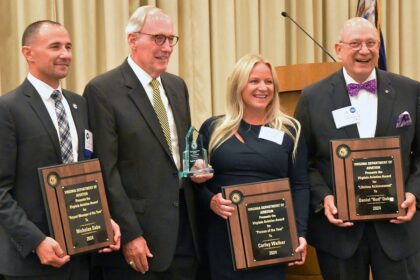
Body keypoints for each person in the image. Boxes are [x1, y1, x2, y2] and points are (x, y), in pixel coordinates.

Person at [294, 17, 420, 280]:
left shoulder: (410, 90)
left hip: (398, 231)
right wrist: (324, 199)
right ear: (339, 49)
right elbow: (303, 162)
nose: (364, 50)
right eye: (355, 43)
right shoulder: (312, 97)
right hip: (340, 234)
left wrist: (414, 194)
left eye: (371, 43)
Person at [83, 5, 199, 279]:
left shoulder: (177, 86)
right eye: (158, 38)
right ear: (132, 40)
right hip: (140, 236)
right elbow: (105, 171)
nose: (167, 47)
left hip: (185, 231)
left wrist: (196, 162)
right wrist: (131, 234)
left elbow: (182, 147)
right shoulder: (103, 90)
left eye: (171, 39)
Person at [0, 20, 121, 280]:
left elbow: (86, 171)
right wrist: (36, 241)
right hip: (31, 262)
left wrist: (103, 219)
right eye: (55, 47)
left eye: (68, 46)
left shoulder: (80, 105)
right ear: (27, 53)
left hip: (80, 256)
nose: (65, 54)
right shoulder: (8, 109)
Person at [191, 53, 310, 280]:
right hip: (222, 236)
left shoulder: (290, 130)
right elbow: (194, 182)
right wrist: (210, 201)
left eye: (268, 82)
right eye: (254, 81)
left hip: (272, 235)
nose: (262, 88)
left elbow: (300, 185)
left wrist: (300, 233)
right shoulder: (213, 128)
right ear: (238, 85)